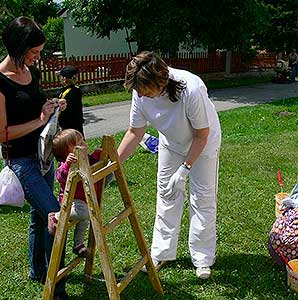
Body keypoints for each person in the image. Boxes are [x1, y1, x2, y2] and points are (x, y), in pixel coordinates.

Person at [117, 51, 221, 280]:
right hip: (171, 143)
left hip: (203, 144)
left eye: (145, 91)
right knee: (166, 194)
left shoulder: (190, 88)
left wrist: (185, 169)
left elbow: (201, 135)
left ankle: (202, 258)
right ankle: (162, 252)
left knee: (202, 198)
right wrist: (114, 163)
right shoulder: (140, 92)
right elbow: (135, 132)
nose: (141, 95)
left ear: (160, 82)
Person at [0, 16, 68, 299]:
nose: (38, 57)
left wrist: (51, 106)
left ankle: (37, 270)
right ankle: (57, 287)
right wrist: (41, 120)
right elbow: (2, 134)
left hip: (43, 155)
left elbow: (34, 105)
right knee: (55, 214)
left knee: (39, 217)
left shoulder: (32, 72)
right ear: (18, 47)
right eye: (34, 52)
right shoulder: (1, 82)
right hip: (20, 162)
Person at [49, 129, 102, 257]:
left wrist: (98, 154)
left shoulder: (84, 159)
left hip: (84, 197)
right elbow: (60, 177)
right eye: (80, 144)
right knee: (84, 214)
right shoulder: (64, 166)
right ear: (67, 153)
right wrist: (67, 164)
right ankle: (55, 216)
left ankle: (78, 244)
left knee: (83, 221)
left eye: (83, 141)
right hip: (72, 200)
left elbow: (92, 161)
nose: (85, 145)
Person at [57, 65, 84, 137]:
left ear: (64, 78)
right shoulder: (69, 90)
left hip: (71, 126)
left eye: (61, 76)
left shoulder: (73, 91)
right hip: (69, 125)